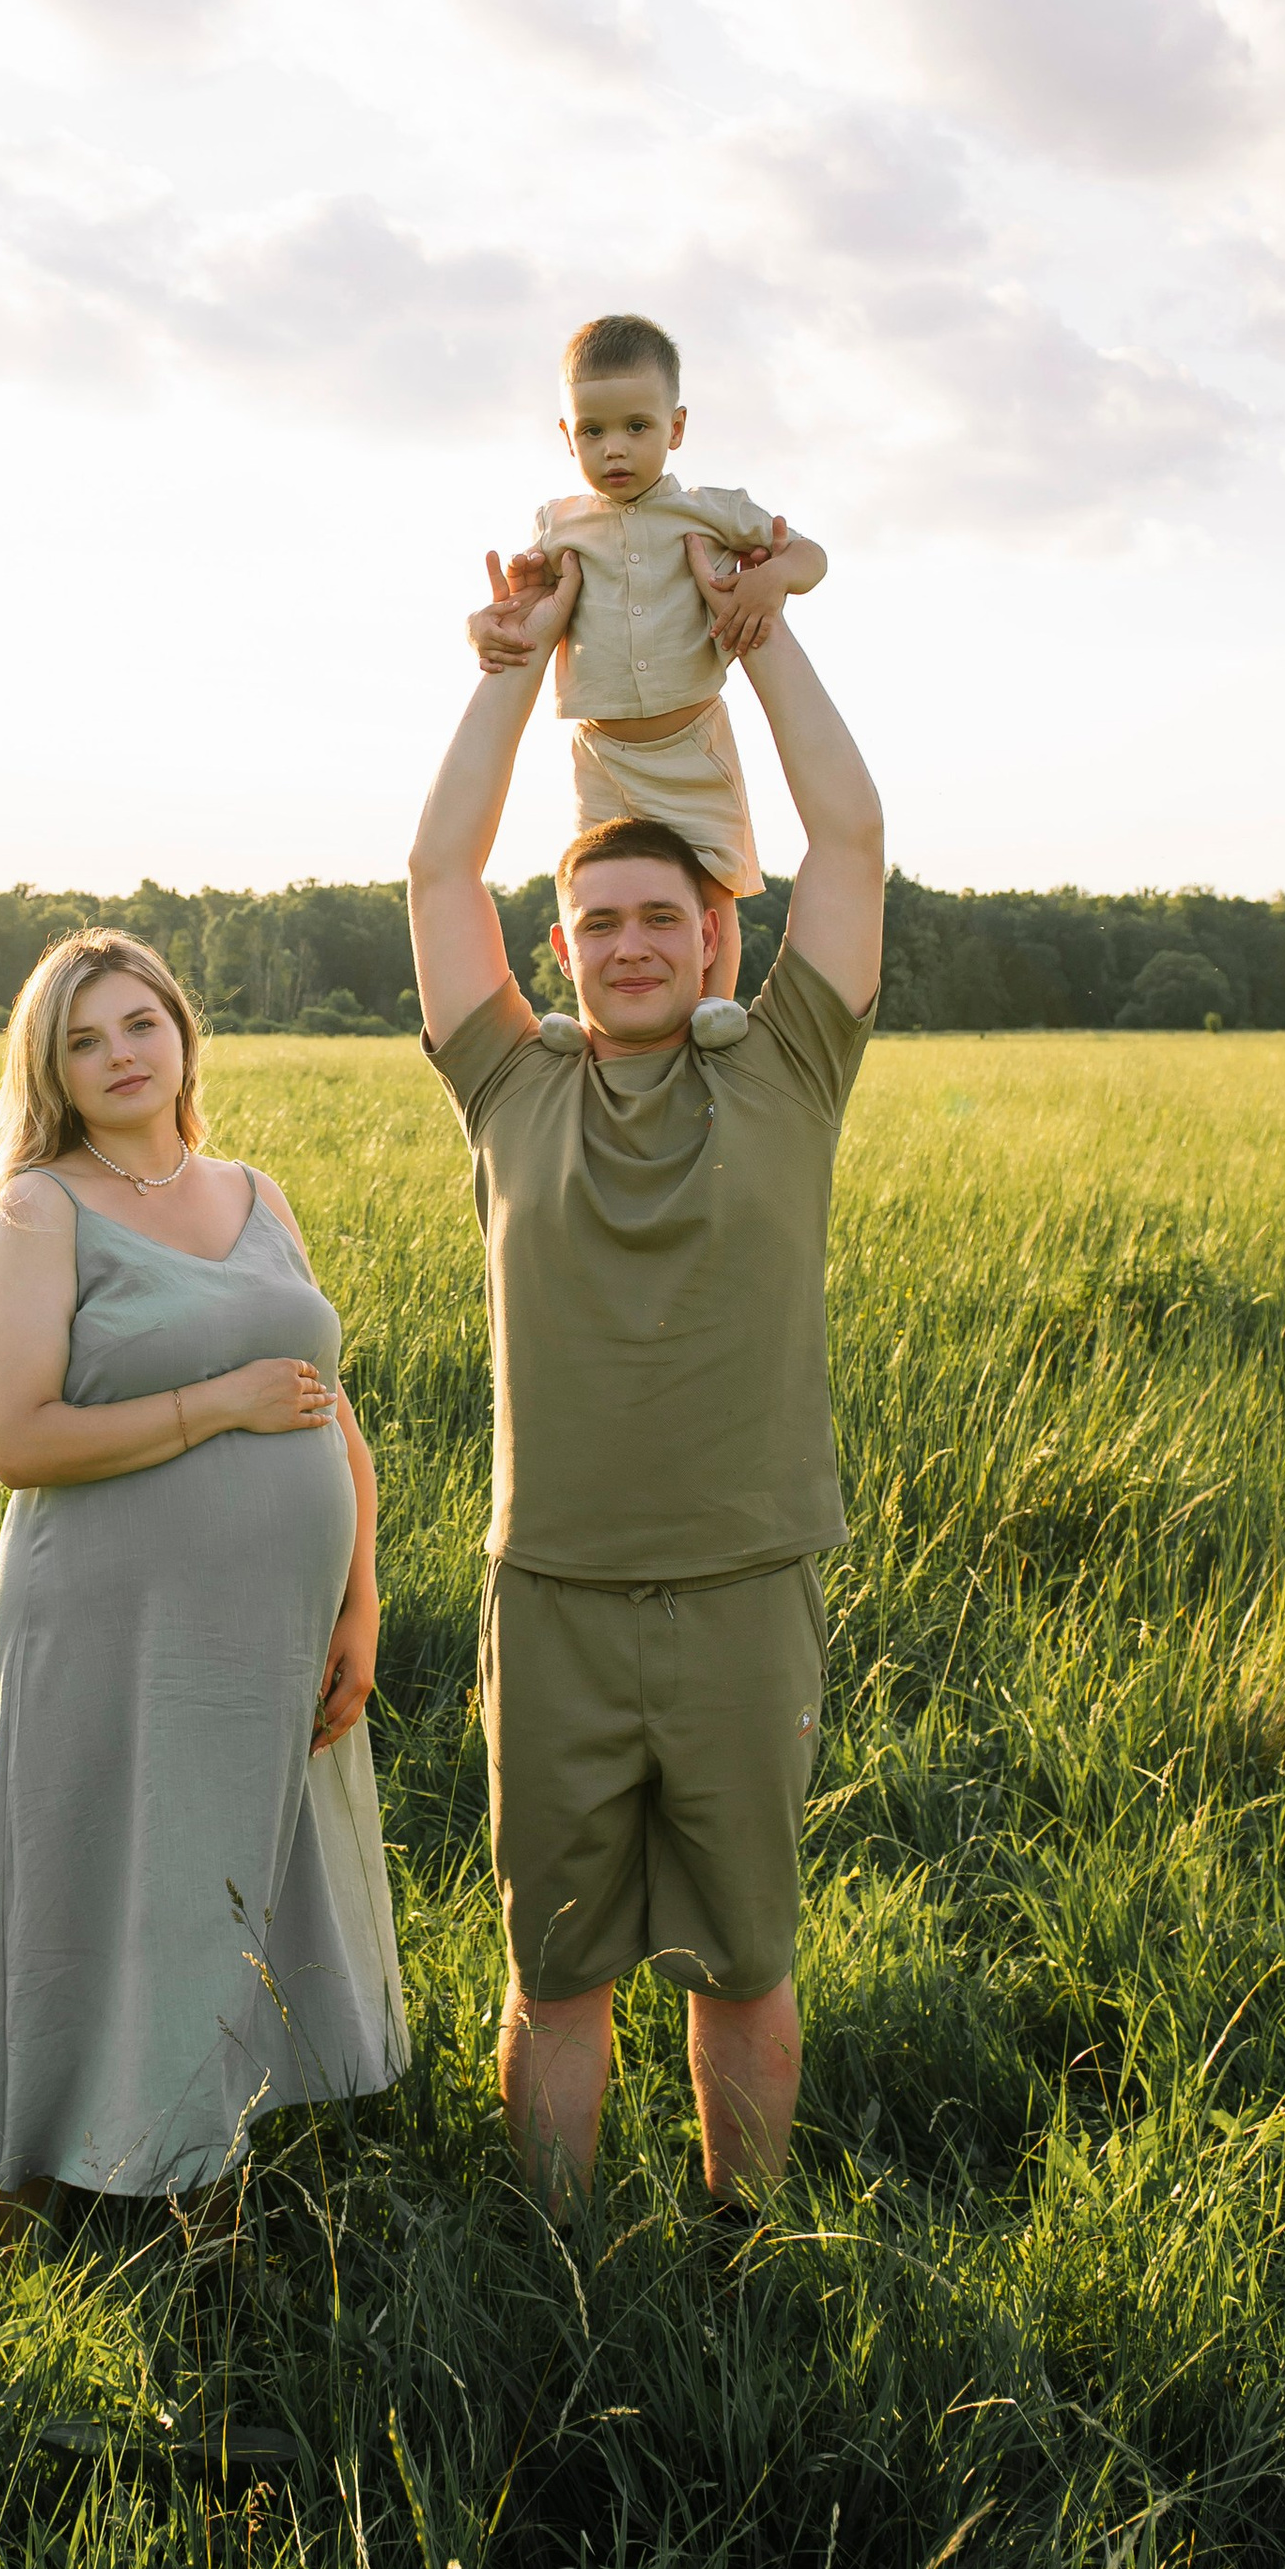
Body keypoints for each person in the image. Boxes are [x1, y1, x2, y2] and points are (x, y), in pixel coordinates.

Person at [407, 540, 883, 2220]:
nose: (626, 946)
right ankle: (548, 2277)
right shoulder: (512, 1092)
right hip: (555, 1595)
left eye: (658, 919)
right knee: (557, 1971)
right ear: (559, 943)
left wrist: (758, 639)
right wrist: (518, 662)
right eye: (597, 922)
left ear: (717, 932)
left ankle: (741, 2260)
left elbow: (855, 836)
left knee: (743, 1958)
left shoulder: (794, 1070)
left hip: (746, 1583)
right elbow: (432, 875)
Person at [0, 926, 409, 2216]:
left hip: (269, 1627)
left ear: (181, 1033)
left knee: (239, 1871)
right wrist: (216, 1403)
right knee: (121, 1870)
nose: (117, 1055)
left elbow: (329, 1409)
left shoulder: (259, 1193)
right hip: (113, 1623)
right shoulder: (42, 1205)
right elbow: (17, 1437)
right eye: (83, 1039)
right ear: (48, 1066)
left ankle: (213, 2152)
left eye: (137, 1025)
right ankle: (78, 2177)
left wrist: (360, 1596)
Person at [502, 310, 826, 1017]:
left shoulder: (713, 511)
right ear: (567, 434)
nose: (614, 448)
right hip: (604, 752)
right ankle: (598, 1027)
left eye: (637, 427)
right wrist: (491, 624)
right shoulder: (559, 524)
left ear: (675, 427)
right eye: (593, 430)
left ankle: (714, 1016)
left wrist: (773, 579)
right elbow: (525, 604)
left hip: (694, 746)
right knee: (597, 893)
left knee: (711, 892)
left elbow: (811, 556)